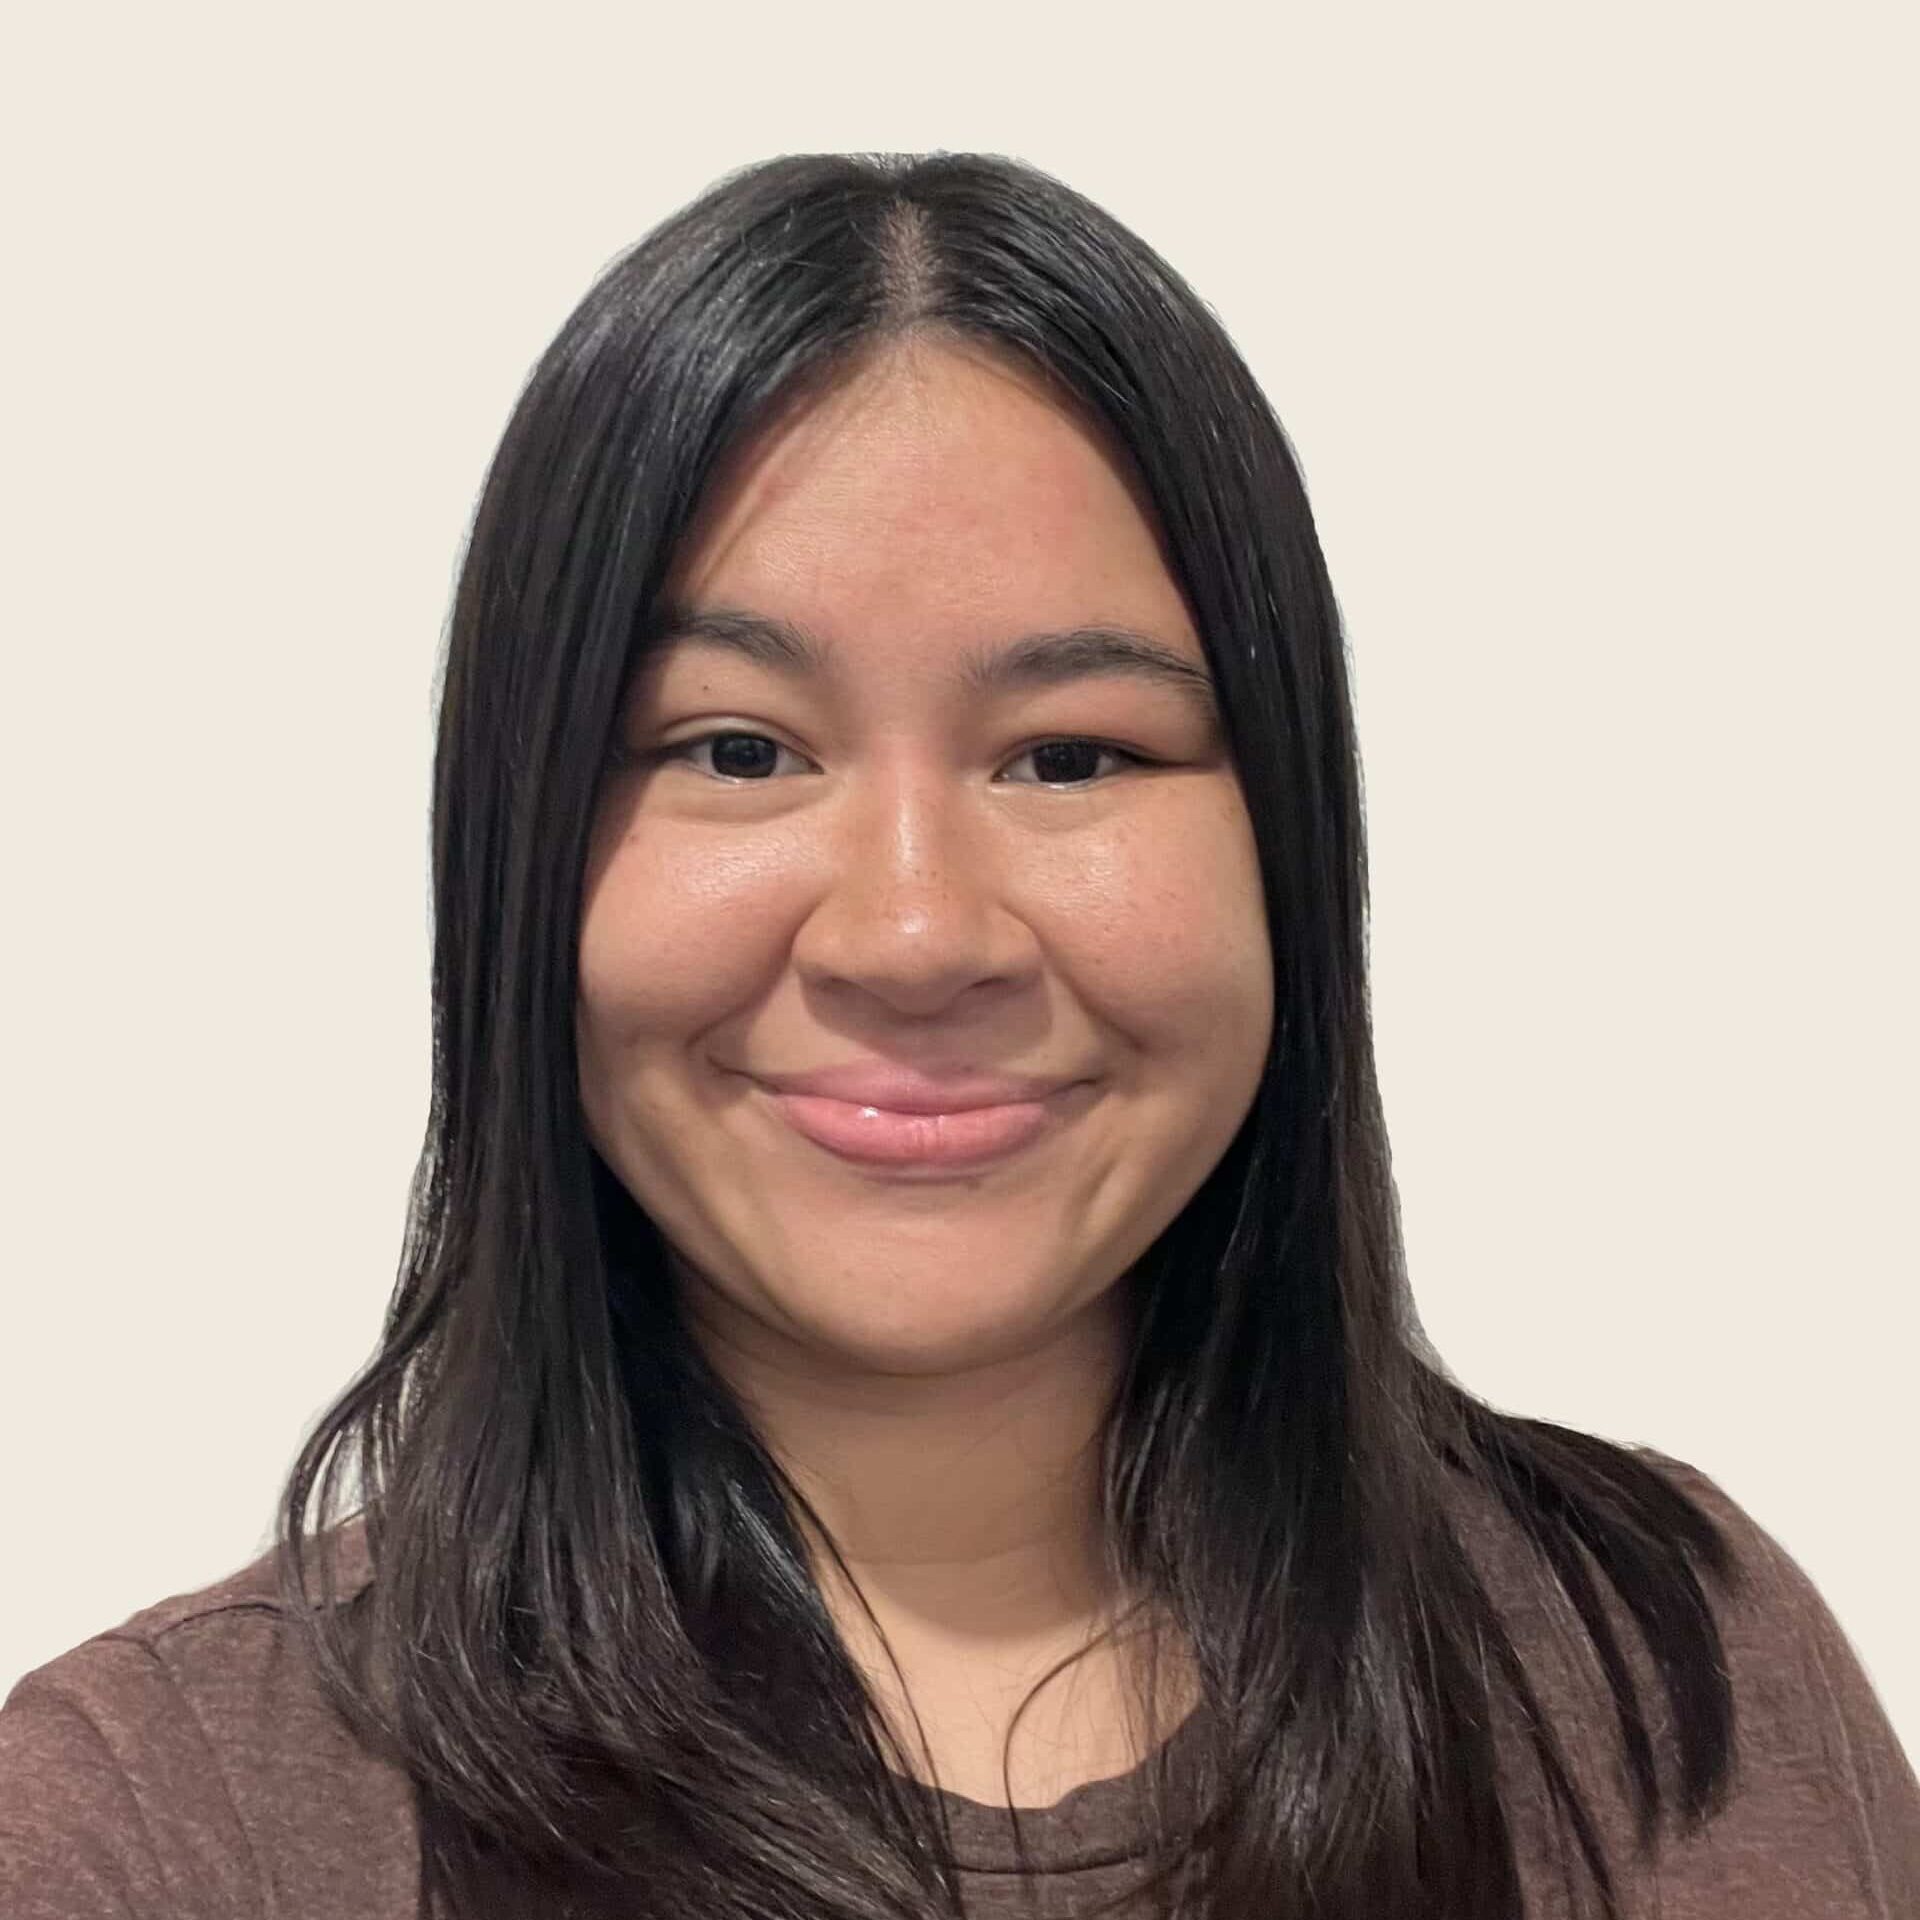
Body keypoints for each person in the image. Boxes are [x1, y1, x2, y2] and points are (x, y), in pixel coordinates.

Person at [2, 150, 1914, 1920]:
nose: (916, 931)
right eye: (734, 749)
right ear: (514, 858)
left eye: (1072, 755)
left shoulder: (1671, 1690)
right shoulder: (164, 1824)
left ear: (1292, 848)